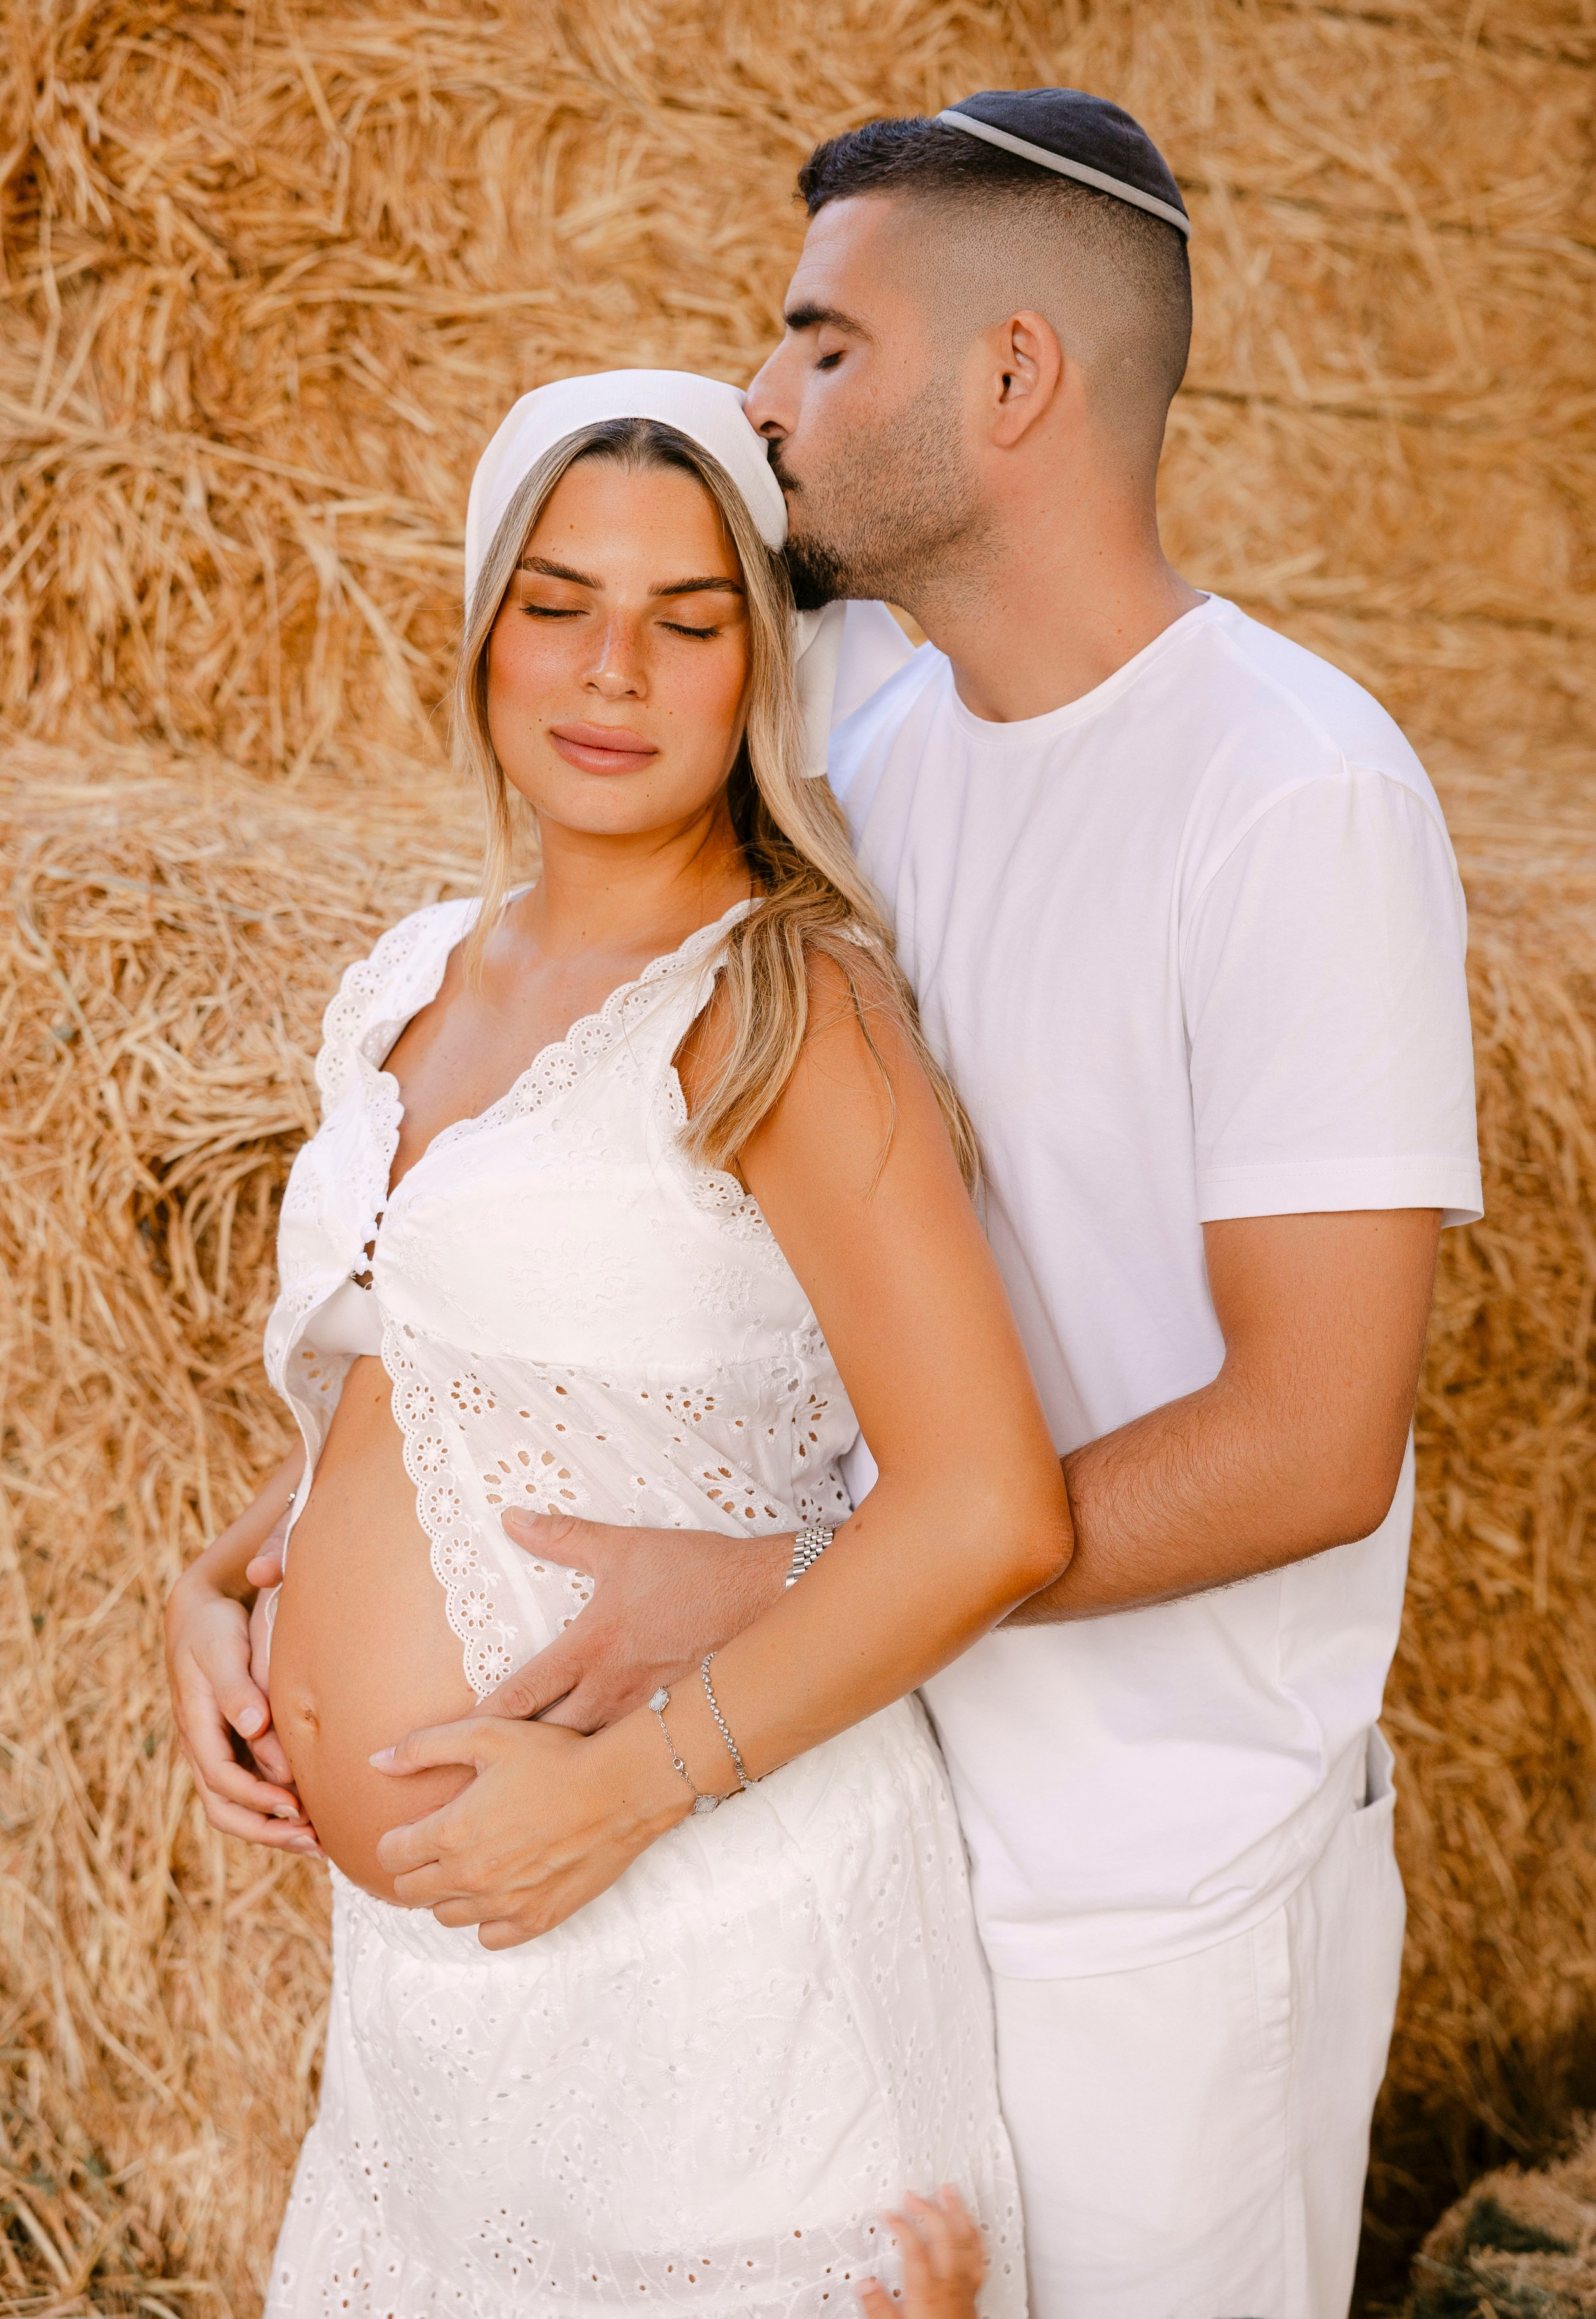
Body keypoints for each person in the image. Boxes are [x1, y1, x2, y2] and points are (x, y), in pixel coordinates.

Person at [294, 92, 1474, 2316]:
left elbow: (1321, 1447)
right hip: (865, 1817)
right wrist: (275, 1568)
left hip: (1156, 1886)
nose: (760, 397)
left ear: (1012, 380)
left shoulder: (1293, 793)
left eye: (821, 343)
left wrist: (769, 1593)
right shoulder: (869, 761)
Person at [163, 370, 1072, 2313]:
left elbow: (992, 1510)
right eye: (559, 603)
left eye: (688, 621)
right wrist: (229, 1576)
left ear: (763, 666)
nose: (612, 673)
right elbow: (443, 1378)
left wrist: (629, 1783)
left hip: (712, 1966)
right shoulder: (412, 974)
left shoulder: (776, 1010)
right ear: (484, 624)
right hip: (424, 2010)